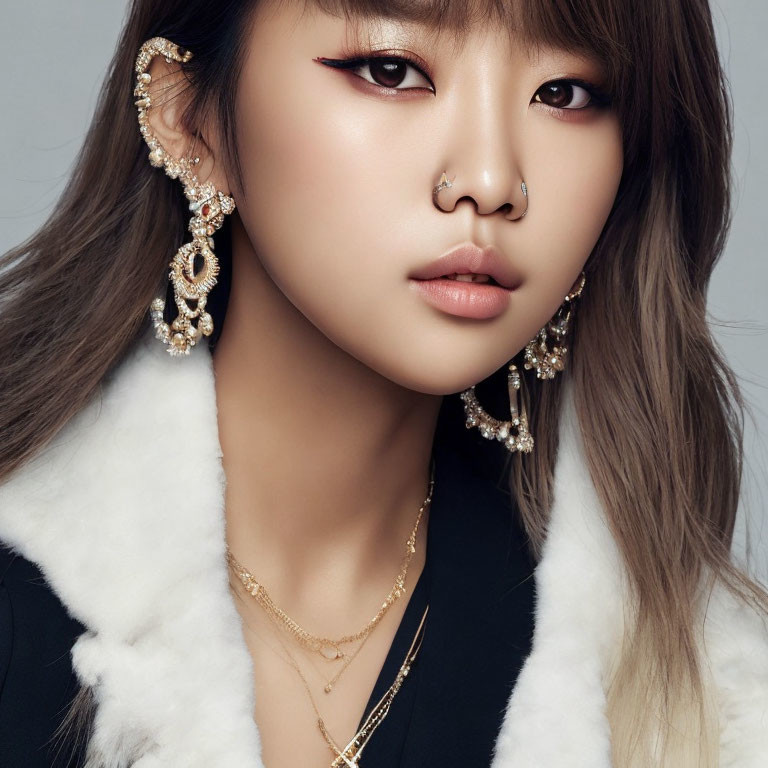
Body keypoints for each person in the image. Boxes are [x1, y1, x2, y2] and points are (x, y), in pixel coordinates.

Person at [1, 0, 766, 766]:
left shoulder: (709, 696)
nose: (492, 181)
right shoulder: (26, 600)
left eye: (565, 94)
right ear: (187, 115)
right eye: (392, 70)